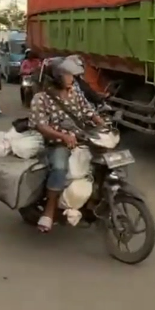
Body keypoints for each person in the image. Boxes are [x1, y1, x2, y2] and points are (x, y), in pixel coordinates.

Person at [29, 56, 104, 233]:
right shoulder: (41, 98)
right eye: (68, 75)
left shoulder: (75, 91)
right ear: (57, 77)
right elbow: (41, 125)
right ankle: (49, 210)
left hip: (80, 137)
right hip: (55, 143)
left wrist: (102, 124)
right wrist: (62, 136)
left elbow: (88, 110)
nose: (72, 78)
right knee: (60, 167)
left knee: (103, 160)